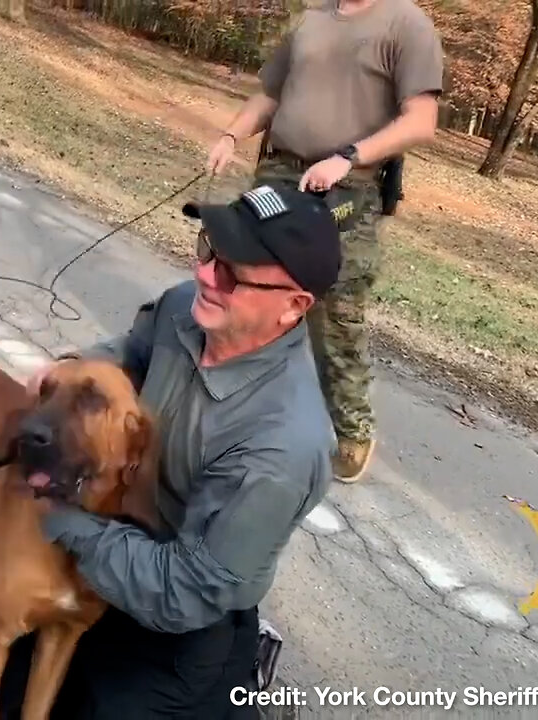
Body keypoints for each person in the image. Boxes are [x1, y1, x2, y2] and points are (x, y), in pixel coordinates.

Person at [0, 181, 343, 718]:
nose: (205, 274)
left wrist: (59, 519)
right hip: (109, 537)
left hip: (176, 607)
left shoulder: (283, 445)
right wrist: (74, 368)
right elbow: (132, 352)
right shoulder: (185, 309)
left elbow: (184, 592)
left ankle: (242, 678)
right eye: (207, 248)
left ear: (293, 307)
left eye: (232, 273)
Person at [206, 0, 444, 484]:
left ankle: (352, 431)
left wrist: (348, 156)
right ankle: (229, 404)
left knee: (334, 312)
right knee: (245, 284)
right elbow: (270, 95)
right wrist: (231, 135)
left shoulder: (406, 23)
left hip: (346, 186)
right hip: (279, 172)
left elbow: (421, 120)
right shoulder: (310, 18)